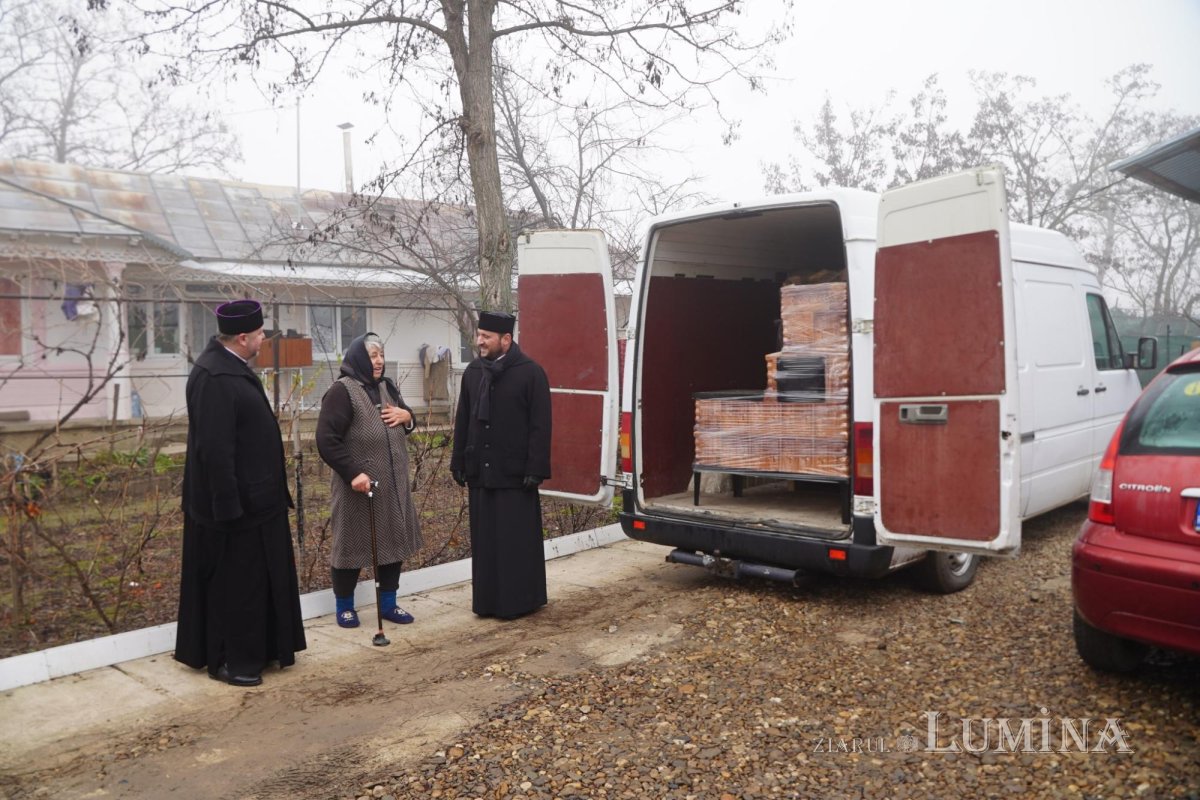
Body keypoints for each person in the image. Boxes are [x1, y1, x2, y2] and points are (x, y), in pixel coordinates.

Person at [175, 299, 306, 687]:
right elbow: (214, 451)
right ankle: (228, 660)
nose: (264, 340)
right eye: (261, 334)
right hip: (233, 511)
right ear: (244, 337)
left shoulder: (230, 367)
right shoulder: (215, 377)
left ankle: (262, 649)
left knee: (255, 583)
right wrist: (228, 507)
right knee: (235, 587)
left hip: (257, 503)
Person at [316, 333, 424, 628]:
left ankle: (388, 604)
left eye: (381, 355)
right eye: (373, 356)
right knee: (350, 545)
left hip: (392, 484)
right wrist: (353, 473)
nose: (379, 361)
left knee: (392, 541)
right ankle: (345, 606)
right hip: (357, 486)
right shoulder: (342, 391)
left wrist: (408, 417)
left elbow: (406, 421)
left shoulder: (387, 387)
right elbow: (326, 440)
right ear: (358, 358)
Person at [451, 311, 552, 620]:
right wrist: (459, 460)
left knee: (515, 543)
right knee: (487, 544)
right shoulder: (474, 372)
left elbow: (540, 426)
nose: (479, 341)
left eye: (486, 337)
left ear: (506, 340)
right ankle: (488, 602)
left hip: (515, 476)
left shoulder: (531, 373)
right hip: (481, 472)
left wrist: (535, 468)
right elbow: (464, 420)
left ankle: (522, 601)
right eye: (479, 335)